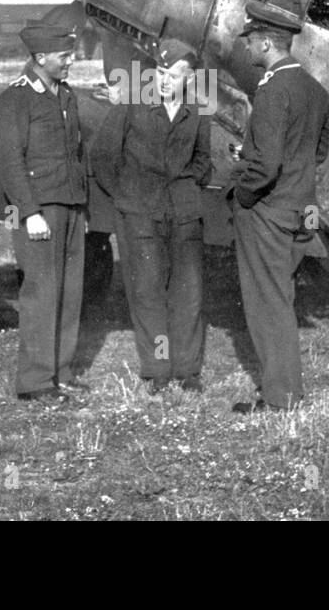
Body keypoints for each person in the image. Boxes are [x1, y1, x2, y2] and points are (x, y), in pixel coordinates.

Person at [91, 40, 211, 394]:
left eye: (173, 75)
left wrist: (185, 187)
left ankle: (188, 370)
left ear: (189, 78)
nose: (163, 81)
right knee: (148, 292)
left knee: (188, 293)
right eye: (160, 72)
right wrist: (127, 196)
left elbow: (203, 161)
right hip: (139, 214)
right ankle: (158, 369)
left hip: (184, 213)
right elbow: (103, 155)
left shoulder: (198, 111)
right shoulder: (133, 104)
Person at [229, 1, 329, 414]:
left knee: (267, 304)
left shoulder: (272, 90)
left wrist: (244, 193)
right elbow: (318, 152)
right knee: (280, 299)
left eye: (250, 41)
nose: (247, 49)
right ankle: (284, 390)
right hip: (299, 208)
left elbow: (266, 164)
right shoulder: (315, 89)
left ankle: (280, 397)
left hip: (267, 212)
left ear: (267, 42)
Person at [0, 22, 88, 404]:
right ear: (41, 57)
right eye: (65, 56)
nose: (71, 61)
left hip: (70, 206)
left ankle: (61, 372)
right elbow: (9, 161)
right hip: (39, 209)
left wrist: (82, 206)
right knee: (41, 293)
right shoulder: (15, 99)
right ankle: (35, 381)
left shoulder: (66, 95)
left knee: (70, 292)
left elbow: (76, 155)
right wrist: (29, 212)